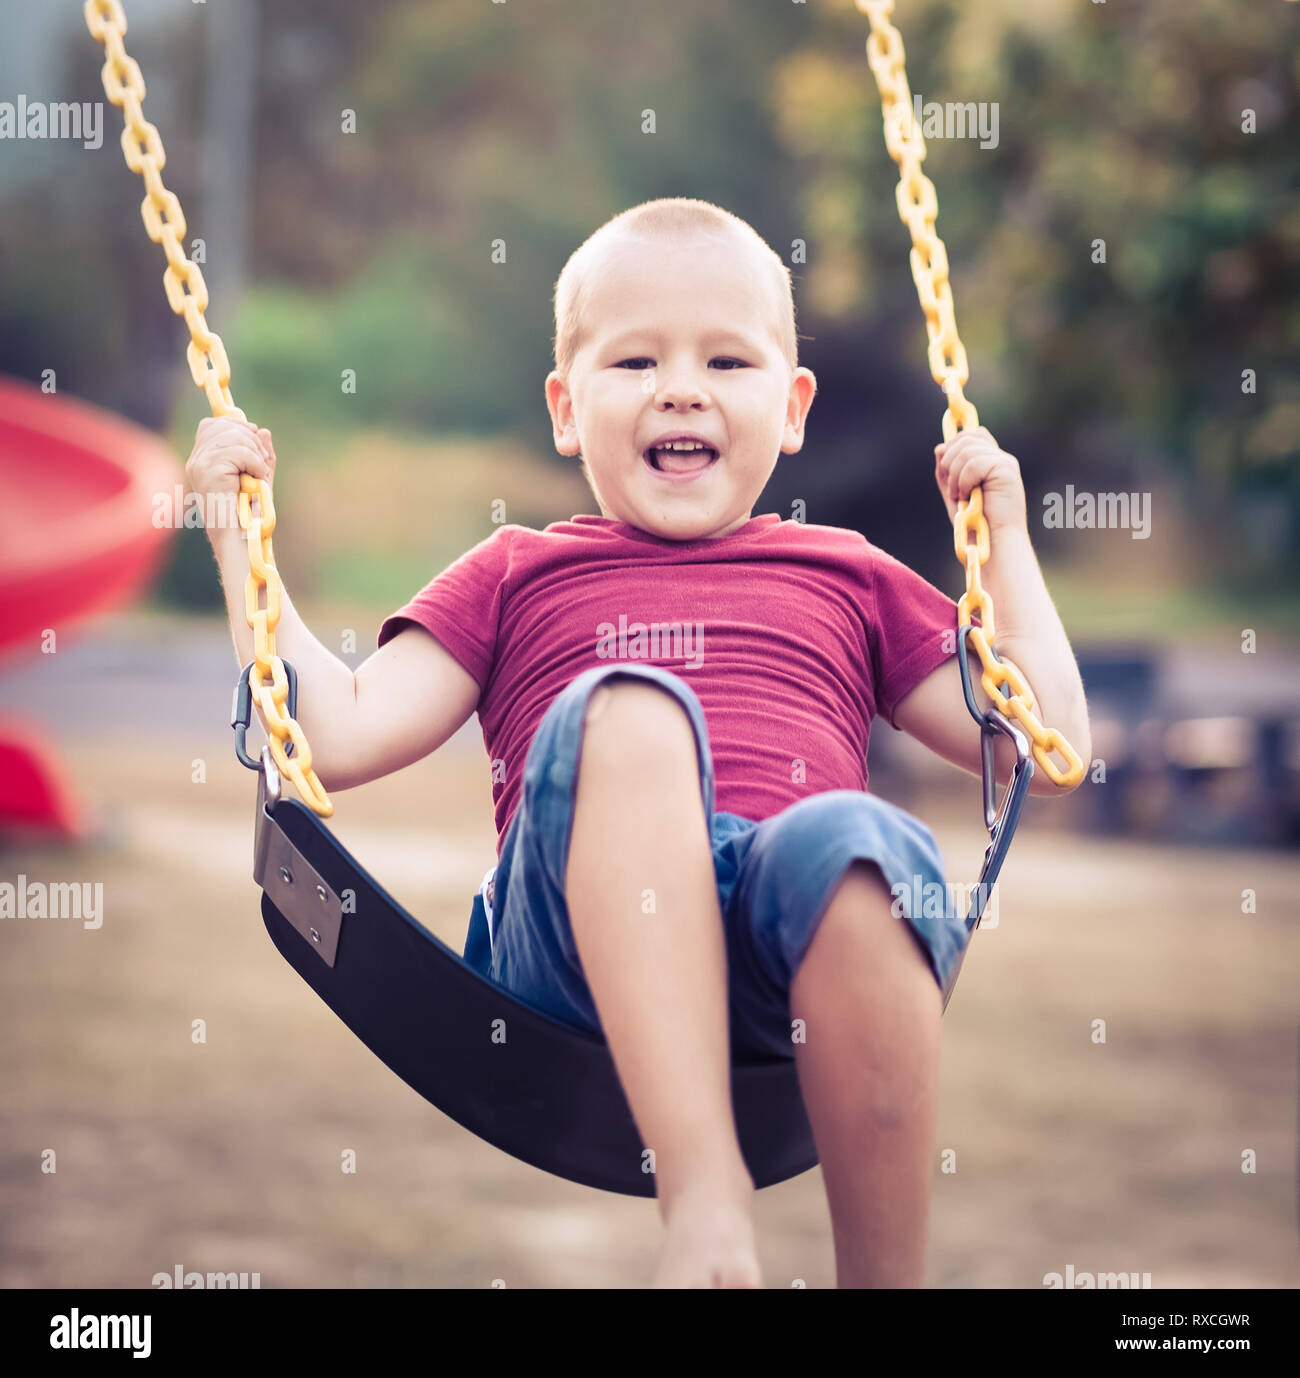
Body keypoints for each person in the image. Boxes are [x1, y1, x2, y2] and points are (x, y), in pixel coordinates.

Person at [187, 196, 1091, 1288]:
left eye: (725, 359)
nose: (680, 387)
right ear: (566, 409)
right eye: (634, 362)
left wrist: (1002, 541)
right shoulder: (517, 571)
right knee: (632, 712)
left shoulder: (847, 575)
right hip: (570, 948)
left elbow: (1044, 747)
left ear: (791, 407)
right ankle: (703, 1202)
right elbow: (324, 736)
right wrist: (240, 539)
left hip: (777, 946)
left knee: (862, 848)